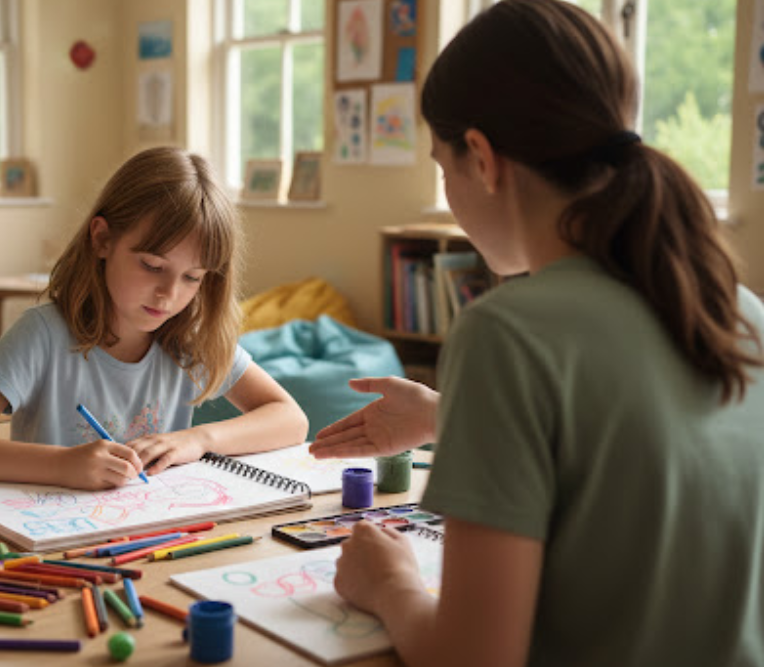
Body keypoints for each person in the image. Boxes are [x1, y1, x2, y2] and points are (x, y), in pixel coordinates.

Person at [310, 1, 764, 665]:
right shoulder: (742, 313)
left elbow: (472, 658)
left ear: (483, 158)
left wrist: (390, 582)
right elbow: (638, 454)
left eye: (443, 167)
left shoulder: (506, 334)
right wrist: (449, 417)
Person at [0, 147, 308, 490]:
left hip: (153, 538)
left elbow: (290, 418)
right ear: (102, 240)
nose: (169, 295)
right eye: (152, 266)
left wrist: (199, 439)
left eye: (192, 277)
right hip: (53, 543)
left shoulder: (191, 339)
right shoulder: (44, 335)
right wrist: (59, 465)